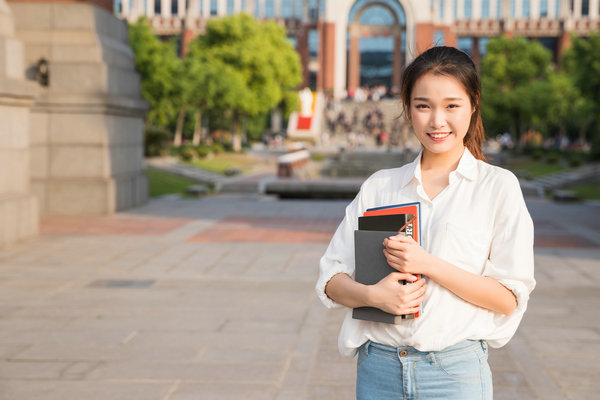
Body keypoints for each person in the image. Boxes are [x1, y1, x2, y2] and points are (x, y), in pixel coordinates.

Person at [315, 46, 535, 399]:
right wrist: (373, 295)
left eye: (451, 105)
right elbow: (330, 278)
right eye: (423, 106)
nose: (437, 121)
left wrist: (427, 264)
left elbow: (508, 298)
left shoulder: (497, 187)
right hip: (378, 370)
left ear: (473, 104)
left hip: (455, 374)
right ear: (407, 108)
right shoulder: (380, 186)